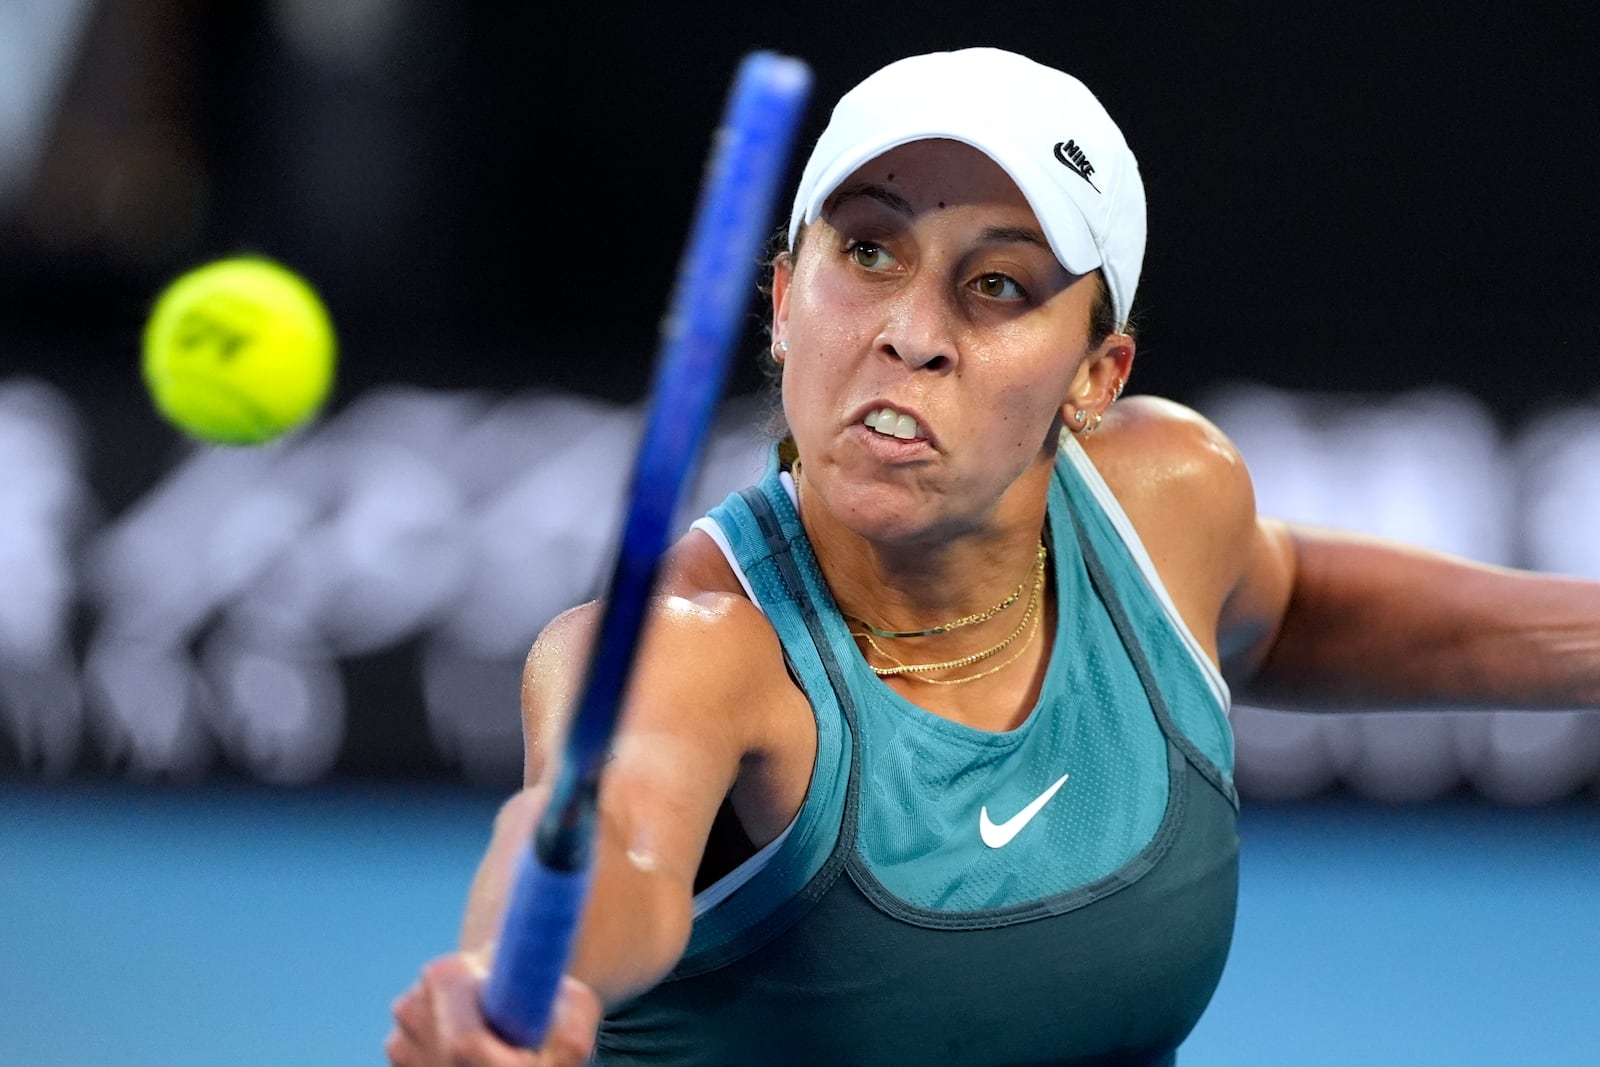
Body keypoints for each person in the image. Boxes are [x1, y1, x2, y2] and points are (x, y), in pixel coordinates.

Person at [386, 46, 1600, 1066]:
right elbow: (611, 837)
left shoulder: (1164, 504)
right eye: (866, 253)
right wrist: (510, 974)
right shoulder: (688, 648)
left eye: (997, 284)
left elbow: (1287, 607)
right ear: (779, 301)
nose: (910, 334)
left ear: (1095, 377)